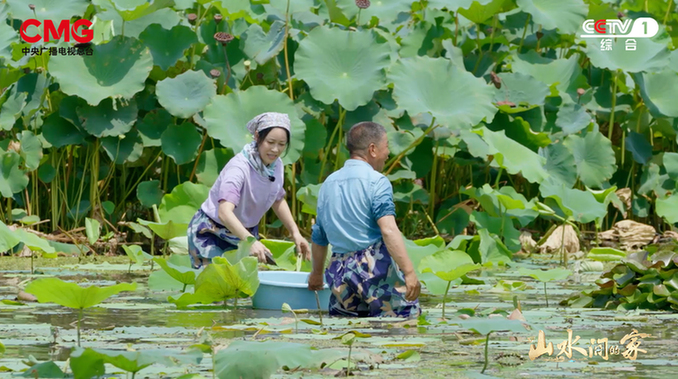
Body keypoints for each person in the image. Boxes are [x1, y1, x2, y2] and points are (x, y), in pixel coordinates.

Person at [307, 121, 421, 318]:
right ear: (373, 149)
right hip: (373, 267)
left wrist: (316, 274)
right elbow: (388, 230)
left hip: (339, 271)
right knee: (403, 322)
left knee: (347, 333)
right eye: (386, 147)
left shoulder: (328, 184)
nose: (388, 154)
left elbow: (319, 236)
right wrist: (409, 272)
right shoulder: (377, 182)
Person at [187, 112, 310, 269]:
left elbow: (277, 199)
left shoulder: (276, 165)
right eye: (270, 142)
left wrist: (295, 233)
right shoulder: (238, 168)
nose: (275, 150)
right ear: (257, 137)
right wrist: (249, 241)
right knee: (214, 287)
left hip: (245, 233)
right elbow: (224, 213)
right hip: (212, 231)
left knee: (244, 289)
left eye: (281, 144)